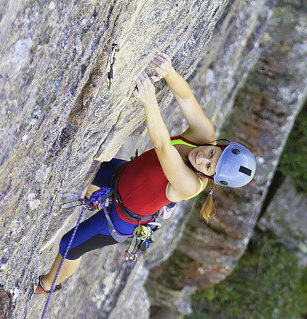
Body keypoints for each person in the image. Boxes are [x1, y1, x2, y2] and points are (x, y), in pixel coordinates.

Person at [35, 52, 256, 295]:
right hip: (122, 175)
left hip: (122, 218)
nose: (203, 157)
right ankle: (91, 195)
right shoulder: (204, 136)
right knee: (81, 167)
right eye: (213, 154)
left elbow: (163, 148)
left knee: (70, 245)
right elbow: (186, 97)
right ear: (220, 145)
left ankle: (46, 286)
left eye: (207, 166)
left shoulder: (190, 185)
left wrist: (150, 102)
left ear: (209, 177)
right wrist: (169, 73)